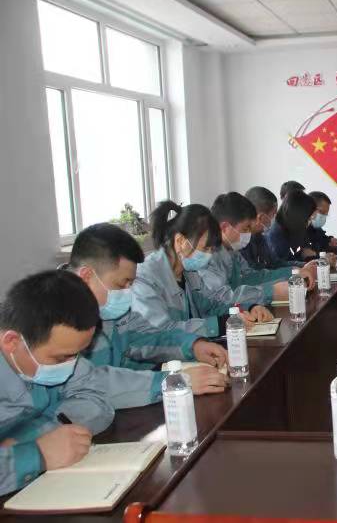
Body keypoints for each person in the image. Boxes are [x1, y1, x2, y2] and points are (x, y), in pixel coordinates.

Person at [67, 223, 228, 408]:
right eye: (122, 284)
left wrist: (193, 346)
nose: (128, 292)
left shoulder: (110, 308)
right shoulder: (55, 319)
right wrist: (172, 382)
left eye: (131, 284)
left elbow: (148, 336)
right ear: (87, 276)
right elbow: (89, 382)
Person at [0, 271, 114, 495]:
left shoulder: (58, 349)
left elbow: (96, 400)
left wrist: (35, 435)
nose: (71, 365)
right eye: (61, 358)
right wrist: (38, 455)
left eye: (77, 355)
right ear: (12, 342)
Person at [132, 201, 262, 337]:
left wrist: (248, 309)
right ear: (180, 241)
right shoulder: (145, 278)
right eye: (205, 249)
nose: (209, 256)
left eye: (211, 250)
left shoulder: (190, 273)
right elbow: (161, 332)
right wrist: (220, 324)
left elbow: (212, 305)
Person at [200, 192, 316, 311]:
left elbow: (251, 277)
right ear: (225, 228)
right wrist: (271, 291)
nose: (248, 234)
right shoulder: (207, 256)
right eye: (245, 229)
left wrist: (293, 273)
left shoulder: (232, 250)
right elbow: (223, 299)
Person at [265, 190, 320, 265]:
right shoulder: (275, 235)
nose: (309, 223)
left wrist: (317, 256)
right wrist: (319, 261)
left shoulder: (293, 227)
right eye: (309, 219)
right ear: (299, 217)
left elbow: (305, 249)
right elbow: (284, 265)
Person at [241, 186, 279, 270]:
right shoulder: (240, 242)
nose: (274, 218)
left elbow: (274, 264)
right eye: (273, 214)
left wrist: (300, 267)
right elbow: (256, 274)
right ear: (261, 217)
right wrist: (294, 271)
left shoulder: (259, 236)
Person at [306, 191, 337, 255]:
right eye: (321, 212)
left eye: (326, 214)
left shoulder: (314, 227)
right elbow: (304, 254)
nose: (323, 217)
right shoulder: (298, 228)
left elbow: (321, 239)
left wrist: (330, 240)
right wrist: (321, 257)